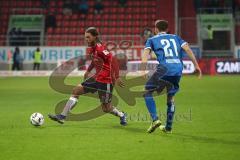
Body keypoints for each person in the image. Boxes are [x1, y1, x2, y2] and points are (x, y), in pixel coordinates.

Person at [48, 27, 127, 126]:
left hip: (106, 81)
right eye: (85, 37)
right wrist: (88, 71)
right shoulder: (92, 49)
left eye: (88, 37)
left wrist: (117, 77)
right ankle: (62, 116)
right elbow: (94, 61)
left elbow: (114, 60)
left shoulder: (101, 48)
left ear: (95, 37)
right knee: (76, 90)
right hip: (96, 78)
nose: (86, 39)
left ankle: (122, 115)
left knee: (105, 108)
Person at [141, 20, 202, 133]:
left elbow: (145, 53)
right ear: (167, 28)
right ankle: (168, 127)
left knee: (147, 91)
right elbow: (188, 49)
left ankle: (155, 120)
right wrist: (196, 66)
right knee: (171, 96)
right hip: (178, 69)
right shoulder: (176, 37)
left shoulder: (152, 39)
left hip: (164, 69)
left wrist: (143, 69)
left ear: (156, 29)